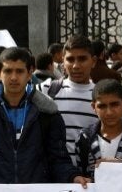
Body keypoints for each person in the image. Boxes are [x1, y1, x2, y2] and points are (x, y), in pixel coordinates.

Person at [0, 47, 90, 186]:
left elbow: (58, 160)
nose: (14, 77)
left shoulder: (47, 112)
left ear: (29, 74)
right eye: (8, 71)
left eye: (20, 71)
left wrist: (73, 177)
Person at [40, 35, 98, 165]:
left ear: (93, 61)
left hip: (88, 178)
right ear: (63, 62)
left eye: (82, 59)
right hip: (54, 178)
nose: (76, 66)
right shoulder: (47, 89)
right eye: (70, 59)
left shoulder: (102, 97)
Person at [75, 79, 122, 179]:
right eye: (102, 106)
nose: (109, 112)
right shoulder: (84, 138)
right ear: (94, 107)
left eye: (114, 104)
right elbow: (82, 174)